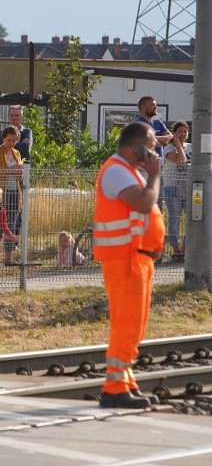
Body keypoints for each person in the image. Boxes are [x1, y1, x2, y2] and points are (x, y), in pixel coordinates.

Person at [93, 121, 165, 409]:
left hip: (138, 257)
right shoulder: (115, 171)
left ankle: (125, 381)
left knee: (135, 324)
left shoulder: (130, 171)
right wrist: (155, 175)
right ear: (136, 146)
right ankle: (114, 388)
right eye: (150, 145)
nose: (154, 151)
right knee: (126, 323)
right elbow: (144, 204)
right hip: (124, 258)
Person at [0, 125, 24, 263]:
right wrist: (12, 170)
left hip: (14, 192)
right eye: (9, 140)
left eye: (14, 140)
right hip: (0, 193)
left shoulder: (17, 153)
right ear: (3, 138)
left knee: (12, 224)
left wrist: (20, 173)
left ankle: (8, 257)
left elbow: (18, 175)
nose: (11, 143)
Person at [162, 120, 191, 260]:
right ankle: (176, 249)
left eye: (185, 131)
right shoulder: (168, 149)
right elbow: (181, 161)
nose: (182, 134)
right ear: (174, 133)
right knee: (174, 219)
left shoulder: (191, 147)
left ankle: (185, 248)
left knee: (192, 219)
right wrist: (178, 146)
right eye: (179, 131)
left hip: (189, 188)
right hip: (172, 187)